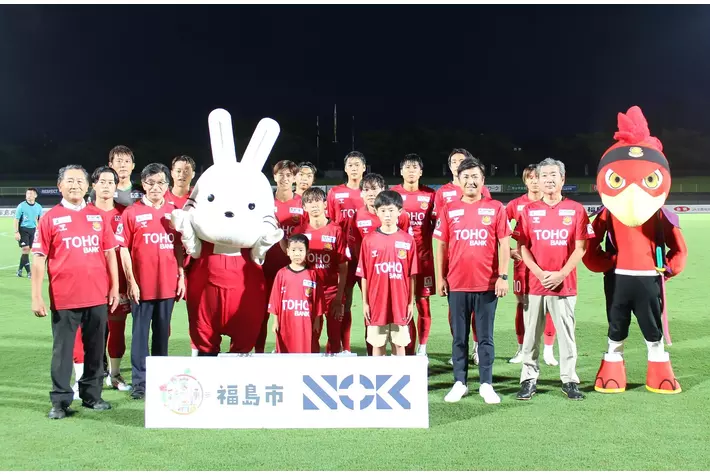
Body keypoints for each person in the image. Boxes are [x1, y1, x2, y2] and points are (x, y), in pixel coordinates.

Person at [31, 164, 119, 419]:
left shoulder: (97, 216)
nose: (75, 185)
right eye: (70, 180)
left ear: (87, 186)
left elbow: (109, 254)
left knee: (95, 349)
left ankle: (92, 396)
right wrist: (36, 296)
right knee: (62, 352)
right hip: (65, 298)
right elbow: (38, 259)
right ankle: (60, 401)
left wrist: (114, 287)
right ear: (60, 186)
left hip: (97, 296)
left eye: (80, 181)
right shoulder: (50, 218)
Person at [514, 158, 593, 401]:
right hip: (535, 285)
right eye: (544, 175)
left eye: (553, 175)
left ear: (562, 179)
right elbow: (522, 247)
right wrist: (539, 273)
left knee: (567, 335)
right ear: (537, 180)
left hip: (564, 285)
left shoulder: (576, 209)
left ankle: (569, 379)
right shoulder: (528, 211)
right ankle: (528, 379)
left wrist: (561, 274)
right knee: (531, 335)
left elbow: (581, 248)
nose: (548, 180)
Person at [434, 157, 510, 404]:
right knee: (459, 337)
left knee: (485, 337)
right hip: (457, 284)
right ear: (458, 180)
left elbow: (504, 244)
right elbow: (441, 246)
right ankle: (460, 382)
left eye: (475, 176)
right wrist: (440, 278)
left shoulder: (496, 208)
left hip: (487, 284)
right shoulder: (449, 209)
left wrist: (503, 276)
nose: (470, 181)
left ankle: (486, 384)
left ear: (483, 180)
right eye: (465, 177)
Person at [120, 163, 185, 400]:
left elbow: (179, 246)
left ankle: (160, 380)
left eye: (160, 183)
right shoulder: (132, 212)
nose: (156, 187)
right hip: (141, 287)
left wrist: (181, 275)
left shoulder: (175, 212)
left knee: (162, 334)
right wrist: (131, 281)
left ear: (167, 185)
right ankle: (140, 383)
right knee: (139, 336)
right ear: (143, 185)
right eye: (150, 183)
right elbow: (123, 249)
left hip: (167, 285)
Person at [72, 167, 133, 397]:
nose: (106, 186)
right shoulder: (82, 213)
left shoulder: (125, 213)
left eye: (111, 182)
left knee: (117, 329)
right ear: (94, 185)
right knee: (83, 332)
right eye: (102, 181)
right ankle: (80, 380)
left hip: (119, 284)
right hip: (89, 283)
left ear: (116, 186)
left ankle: (114, 375)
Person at [433, 148, 491, 365]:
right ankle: (459, 350)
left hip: (480, 262)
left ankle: (477, 347)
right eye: (454, 161)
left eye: (462, 160)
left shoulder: (484, 192)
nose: (458, 163)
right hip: (455, 261)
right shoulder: (443, 193)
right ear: (451, 167)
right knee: (456, 312)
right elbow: (442, 232)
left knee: (479, 312)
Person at [506, 165, 558, 365]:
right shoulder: (515, 205)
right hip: (522, 264)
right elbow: (500, 230)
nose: (535, 181)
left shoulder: (552, 203)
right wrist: (510, 250)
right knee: (523, 304)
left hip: (546, 263)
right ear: (525, 181)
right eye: (530, 178)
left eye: (537, 177)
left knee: (549, 303)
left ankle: (548, 351)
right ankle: (521, 349)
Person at [353, 173, 410, 355]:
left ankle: (404, 370)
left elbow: (410, 272)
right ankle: (376, 372)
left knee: (399, 341)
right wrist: (365, 302)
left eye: (391, 210)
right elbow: (364, 272)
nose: (387, 214)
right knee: (377, 340)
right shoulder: (367, 236)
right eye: (366, 189)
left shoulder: (406, 237)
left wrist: (410, 302)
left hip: (399, 297)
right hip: (375, 293)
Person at [291, 187, 349, 353]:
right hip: (309, 292)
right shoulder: (299, 231)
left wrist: (339, 297)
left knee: (334, 336)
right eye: (309, 202)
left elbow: (343, 267)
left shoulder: (336, 230)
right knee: (311, 335)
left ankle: (334, 366)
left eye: (317, 201)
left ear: (325, 204)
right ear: (304, 207)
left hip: (332, 293)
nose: (314, 205)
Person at [391, 154, 437, 356]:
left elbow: (437, 226)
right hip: (399, 260)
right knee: (402, 305)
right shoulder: (392, 194)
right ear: (401, 171)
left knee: (423, 304)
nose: (411, 171)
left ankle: (423, 348)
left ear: (420, 172)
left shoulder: (430, 195)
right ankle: (406, 348)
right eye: (407, 167)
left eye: (415, 167)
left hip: (424, 259)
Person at [257, 160, 304, 353]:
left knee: (289, 314)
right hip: (264, 269)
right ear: (274, 176)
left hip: (291, 272)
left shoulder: (302, 203)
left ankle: (286, 352)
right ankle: (258, 353)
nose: (284, 178)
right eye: (281, 174)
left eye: (289, 175)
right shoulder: (264, 203)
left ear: (294, 178)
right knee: (261, 315)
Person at [326, 151, 366, 351]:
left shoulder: (371, 192)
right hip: (344, 257)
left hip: (367, 257)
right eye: (350, 165)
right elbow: (331, 224)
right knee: (344, 302)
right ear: (345, 168)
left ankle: (373, 349)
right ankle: (345, 348)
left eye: (358, 164)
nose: (354, 168)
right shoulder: (335, 193)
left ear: (364, 168)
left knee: (371, 303)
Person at [269, 234, 326, 353]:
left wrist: (317, 321)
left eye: (300, 250)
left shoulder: (312, 274)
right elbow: (275, 300)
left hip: (306, 323)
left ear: (307, 251)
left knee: (307, 349)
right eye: (294, 250)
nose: (297, 254)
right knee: (286, 351)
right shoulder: (281, 274)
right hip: (286, 322)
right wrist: (275, 321)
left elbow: (318, 300)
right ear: (288, 251)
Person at [15, 187, 42, 278]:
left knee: (27, 251)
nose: (29, 195)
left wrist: (40, 231)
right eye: (27, 194)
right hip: (23, 229)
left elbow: (40, 220)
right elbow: (16, 219)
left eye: (31, 194)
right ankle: (29, 272)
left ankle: (19, 270)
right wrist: (16, 232)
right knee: (25, 249)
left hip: (33, 230)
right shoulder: (21, 206)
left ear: (35, 195)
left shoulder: (38, 207)